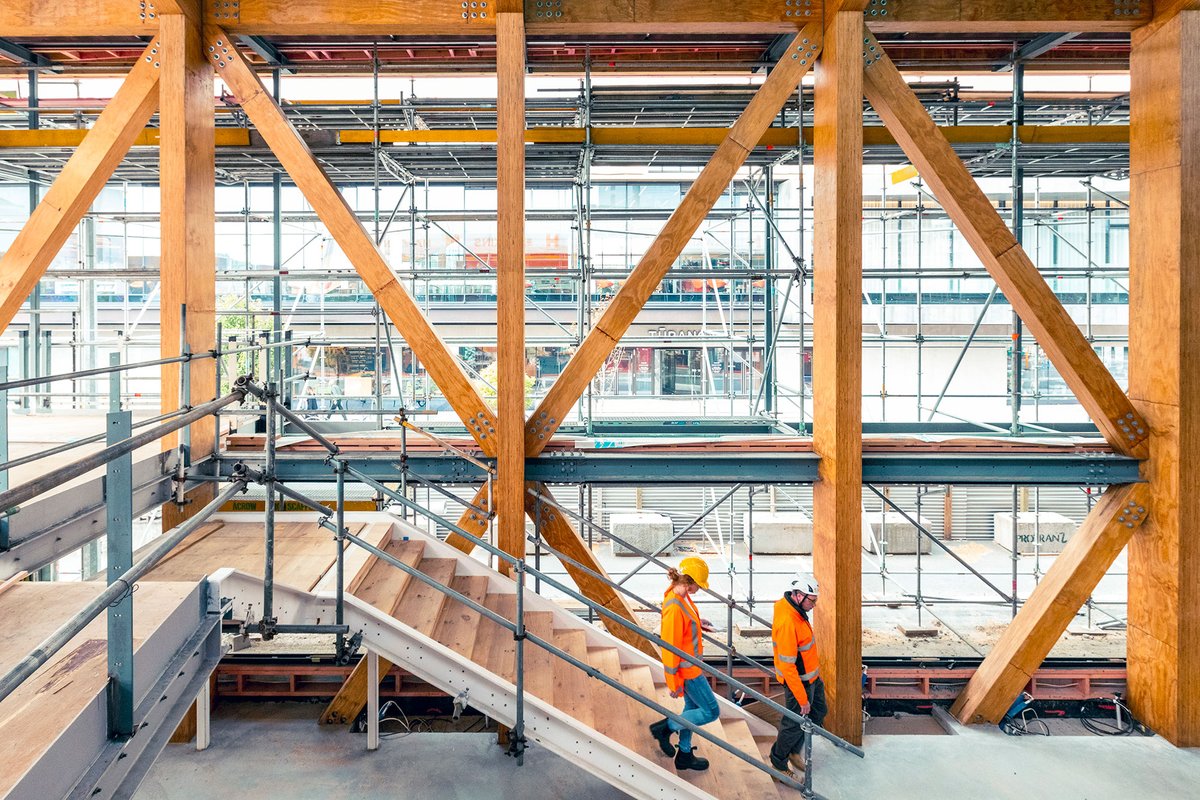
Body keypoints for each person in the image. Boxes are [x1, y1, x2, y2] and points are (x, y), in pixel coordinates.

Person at [648, 556, 719, 772]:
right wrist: (673, 683)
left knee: (692, 709)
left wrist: (698, 624)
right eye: (699, 584)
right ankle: (665, 728)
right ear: (689, 581)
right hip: (688, 672)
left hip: (691, 667)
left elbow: (685, 627)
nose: (700, 588)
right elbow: (670, 649)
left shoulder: (682, 596)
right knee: (710, 711)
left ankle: (685, 755)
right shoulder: (674, 607)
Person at [769, 574, 826, 778]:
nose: (815, 604)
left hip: (811, 679)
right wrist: (802, 699)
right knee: (793, 724)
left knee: (819, 712)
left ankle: (793, 751)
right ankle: (778, 761)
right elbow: (788, 666)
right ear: (799, 595)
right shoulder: (787, 621)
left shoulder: (796, 611)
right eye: (813, 600)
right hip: (798, 684)